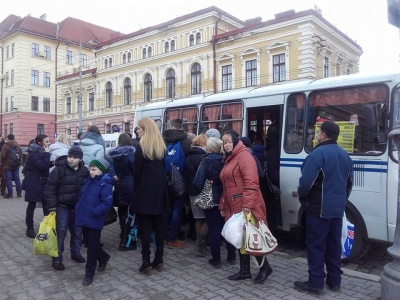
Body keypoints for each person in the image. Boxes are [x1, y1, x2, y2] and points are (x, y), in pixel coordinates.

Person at [294, 121, 353, 295]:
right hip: (337, 209)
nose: (317, 135)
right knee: (334, 245)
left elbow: (305, 184)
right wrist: (340, 201)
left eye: (319, 132)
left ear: (324, 135)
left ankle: (315, 283)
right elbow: (349, 184)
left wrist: (303, 198)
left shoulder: (317, 154)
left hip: (318, 209)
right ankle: (335, 281)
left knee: (316, 245)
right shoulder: (345, 155)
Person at [219, 130, 273, 284]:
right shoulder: (230, 158)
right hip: (235, 205)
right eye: (224, 142)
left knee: (252, 237)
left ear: (235, 142)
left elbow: (252, 183)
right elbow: (226, 186)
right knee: (241, 238)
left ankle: (265, 268)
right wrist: (223, 203)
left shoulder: (244, 156)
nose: (227, 144)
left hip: (245, 205)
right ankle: (245, 271)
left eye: (229, 141)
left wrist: (247, 206)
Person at [130, 118, 169, 275]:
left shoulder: (141, 146)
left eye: (139, 128)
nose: (137, 131)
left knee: (145, 228)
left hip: (145, 191)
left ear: (146, 129)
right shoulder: (160, 145)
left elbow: (137, 171)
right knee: (159, 227)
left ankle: (146, 262)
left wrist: (136, 189)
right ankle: (159, 260)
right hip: (160, 190)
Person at [193, 137, 236, 269]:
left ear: (210, 149)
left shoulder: (205, 162)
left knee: (214, 229)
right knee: (228, 228)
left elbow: (197, 182)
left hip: (211, 200)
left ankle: (216, 259)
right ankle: (232, 256)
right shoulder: (226, 160)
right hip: (226, 199)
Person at [45, 146, 90, 270]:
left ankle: (75, 253)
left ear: (80, 159)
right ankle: (57, 259)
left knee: (77, 232)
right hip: (62, 207)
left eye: (75, 158)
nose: (71, 159)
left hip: (77, 208)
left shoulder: (84, 171)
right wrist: (52, 207)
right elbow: (50, 189)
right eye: (70, 156)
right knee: (61, 233)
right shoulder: (59, 170)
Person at [75, 158, 113, 286]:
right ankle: (103, 257)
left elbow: (107, 202)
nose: (91, 172)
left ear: (101, 170)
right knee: (90, 244)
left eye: (94, 169)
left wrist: (94, 212)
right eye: (90, 169)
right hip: (84, 217)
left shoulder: (105, 183)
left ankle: (89, 274)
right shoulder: (88, 181)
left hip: (94, 219)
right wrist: (78, 208)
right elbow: (81, 196)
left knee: (91, 249)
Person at [162, 118, 191, 249]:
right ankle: (172, 238)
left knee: (165, 208)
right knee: (177, 209)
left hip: (165, 179)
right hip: (180, 180)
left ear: (171, 126)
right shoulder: (186, 141)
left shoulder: (163, 140)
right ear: (181, 127)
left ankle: (162, 236)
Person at [108, 133, 136, 251]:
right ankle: (126, 239)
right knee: (131, 211)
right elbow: (134, 168)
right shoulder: (130, 153)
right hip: (130, 184)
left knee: (122, 209)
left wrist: (114, 176)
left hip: (119, 184)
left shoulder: (113, 154)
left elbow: (110, 168)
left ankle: (122, 232)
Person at [24, 134, 53, 238]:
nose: (48, 143)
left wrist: (52, 163)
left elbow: (44, 165)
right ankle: (30, 229)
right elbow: (42, 166)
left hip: (42, 183)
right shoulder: (33, 153)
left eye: (48, 141)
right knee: (32, 205)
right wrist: (47, 154)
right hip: (33, 183)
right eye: (46, 142)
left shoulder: (39, 152)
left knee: (46, 206)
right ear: (40, 143)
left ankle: (48, 228)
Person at [184, 134, 208, 256]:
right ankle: (201, 245)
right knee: (207, 218)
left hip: (191, 191)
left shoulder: (188, 156)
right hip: (203, 191)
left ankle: (199, 244)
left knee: (198, 218)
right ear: (204, 144)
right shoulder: (203, 157)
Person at [1, 134, 23, 198]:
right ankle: (19, 193)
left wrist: (3, 162)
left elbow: (3, 156)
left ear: (7, 138)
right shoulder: (17, 145)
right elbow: (21, 155)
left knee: (8, 179)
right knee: (17, 179)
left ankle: (10, 194)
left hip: (7, 165)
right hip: (16, 165)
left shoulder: (5, 145)